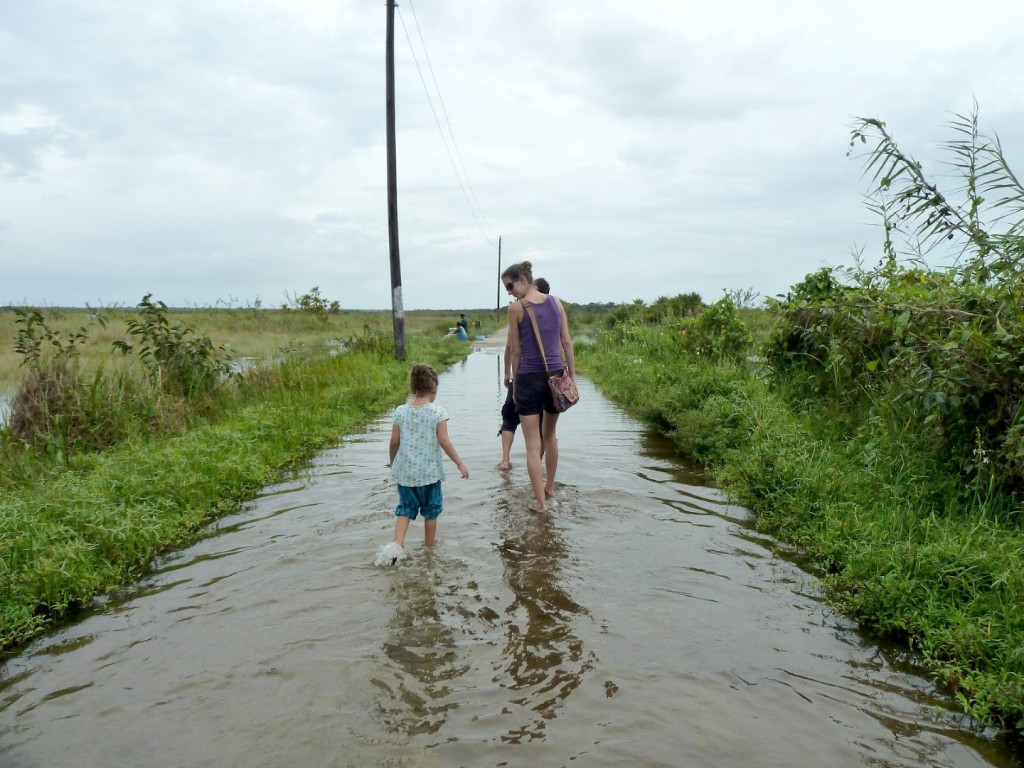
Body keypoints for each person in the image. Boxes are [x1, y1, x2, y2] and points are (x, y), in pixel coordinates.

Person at [501, 261, 575, 513]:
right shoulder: (557, 302)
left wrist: (513, 380)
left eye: (510, 286)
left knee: (532, 444)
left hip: (530, 377)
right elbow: (566, 342)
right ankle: (550, 487)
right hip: (556, 375)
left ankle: (540, 504)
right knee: (550, 436)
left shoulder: (516, 309)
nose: (509, 292)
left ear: (523, 280)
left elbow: (516, 350)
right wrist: (571, 378)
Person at [382, 363, 469, 563]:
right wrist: (459, 463)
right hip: (430, 475)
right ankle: (429, 551)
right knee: (431, 512)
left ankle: (397, 546)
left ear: (412, 388)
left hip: (405, 475)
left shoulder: (400, 412)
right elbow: (444, 441)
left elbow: (394, 442)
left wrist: (392, 462)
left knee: (405, 509)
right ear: (434, 388)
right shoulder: (438, 413)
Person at [498, 277, 551, 470]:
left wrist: (507, 373)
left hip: (523, 375)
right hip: (548, 376)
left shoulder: (520, 309)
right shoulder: (553, 309)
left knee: (510, 418)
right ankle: (539, 463)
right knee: (544, 426)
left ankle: (505, 460)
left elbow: (512, 347)